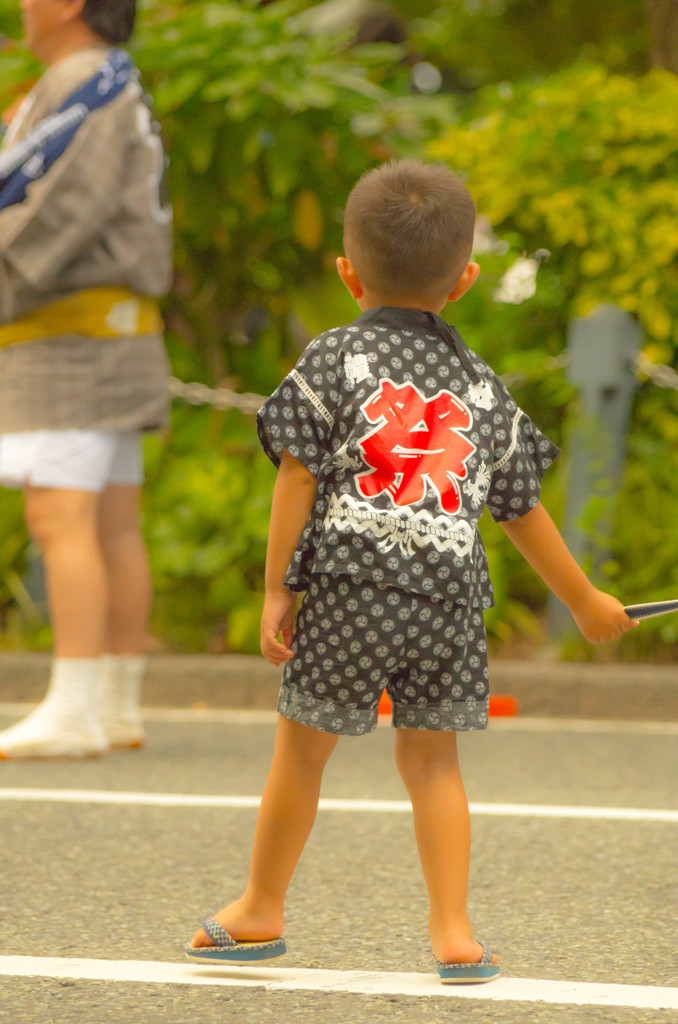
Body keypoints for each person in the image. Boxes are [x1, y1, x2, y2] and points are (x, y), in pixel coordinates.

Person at [185, 160, 636, 982]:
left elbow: (296, 473)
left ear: (348, 272)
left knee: (301, 755)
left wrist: (277, 585)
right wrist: (584, 599)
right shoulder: (483, 389)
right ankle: (455, 932)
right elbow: (521, 508)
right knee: (433, 765)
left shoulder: (334, 358)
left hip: (351, 591)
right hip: (449, 602)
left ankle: (259, 907)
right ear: (464, 279)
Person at [0, 0, 172, 758]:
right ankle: (111, 701)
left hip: (70, 338)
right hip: (111, 332)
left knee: (60, 521)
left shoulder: (83, 79)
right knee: (111, 524)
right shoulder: (108, 79)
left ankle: (76, 706)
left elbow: (50, 218)